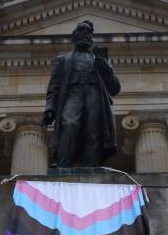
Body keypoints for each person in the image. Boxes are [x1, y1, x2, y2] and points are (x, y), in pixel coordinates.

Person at [42, 20, 121, 167]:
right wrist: (49, 109)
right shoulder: (62, 60)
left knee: (93, 131)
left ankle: (91, 167)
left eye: (88, 32)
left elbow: (115, 88)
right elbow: (53, 88)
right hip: (73, 94)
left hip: (94, 94)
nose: (85, 34)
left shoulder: (100, 58)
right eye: (81, 30)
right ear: (74, 36)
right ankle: (63, 165)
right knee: (69, 124)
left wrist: (106, 68)